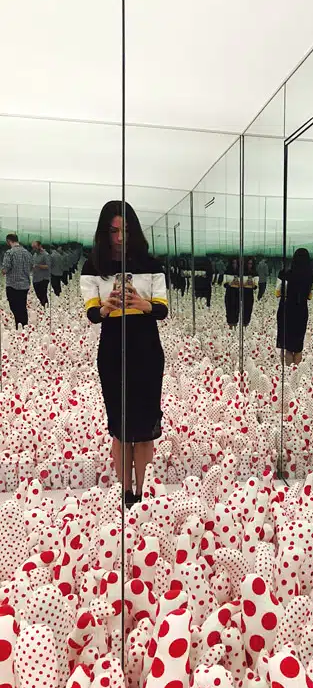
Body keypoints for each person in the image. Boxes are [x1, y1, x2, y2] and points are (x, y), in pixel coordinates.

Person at [80, 200, 168, 506]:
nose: (120, 237)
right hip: (113, 352)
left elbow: (162, 309)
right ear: (105, 232)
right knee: (119, 428)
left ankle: (143, 496)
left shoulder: (152, 265)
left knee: (144, 429)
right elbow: (92, 314)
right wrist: (107, 306)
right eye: (114, 231)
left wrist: (141, 304)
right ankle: (124, 495)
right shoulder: (93, 267)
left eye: (126, 230)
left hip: (146, 349)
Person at [276, 247, 313, 365]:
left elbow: (277, 293)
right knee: (298, 346)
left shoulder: (284, 274)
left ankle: (287, 375)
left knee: (287, 345)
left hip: (286, 309)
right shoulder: (312, 277)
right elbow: (310, 296)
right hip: (301, 310)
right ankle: (296, 374)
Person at [2, 234, 32, 328]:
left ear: (8, 241)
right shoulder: (27, 253)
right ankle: (24, 327)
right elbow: (31, 267)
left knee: (14, 307)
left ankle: (19, 325)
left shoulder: (9, 253)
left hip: (13, 285)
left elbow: (5, 269)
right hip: (25, 284)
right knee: (22, 306)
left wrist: (3, 271)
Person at [31, 241, 51, 307]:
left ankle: (45, 307)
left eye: (35, 247)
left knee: (43, 293)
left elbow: (48, 266)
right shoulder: (35, 255)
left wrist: (38, 266)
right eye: (33, 247)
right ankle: (44, 305)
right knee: (38, 294)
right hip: (36, 278)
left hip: (43, 278)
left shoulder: (46, 255)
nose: (34, 249)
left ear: (40, 246)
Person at [242, 257, 259, 327]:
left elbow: (255, 286)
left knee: (248, 309)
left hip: (249, 294)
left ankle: (246, 323)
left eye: (251, 264)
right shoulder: (242, 272)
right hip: (242, 293)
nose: (250, 265)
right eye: (248, 264)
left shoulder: (254, 273)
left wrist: (251, 283)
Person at [224, 259, 241, 327]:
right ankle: (230, 324)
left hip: (237, 293)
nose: (235, 265)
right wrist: (231, 284)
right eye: (233, 263)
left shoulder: (240, 272)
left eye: (236, 263)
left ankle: (235, 323)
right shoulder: (227, 272)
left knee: (236, 309)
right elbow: (224, 284)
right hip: (229, 293)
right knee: (229, 308)